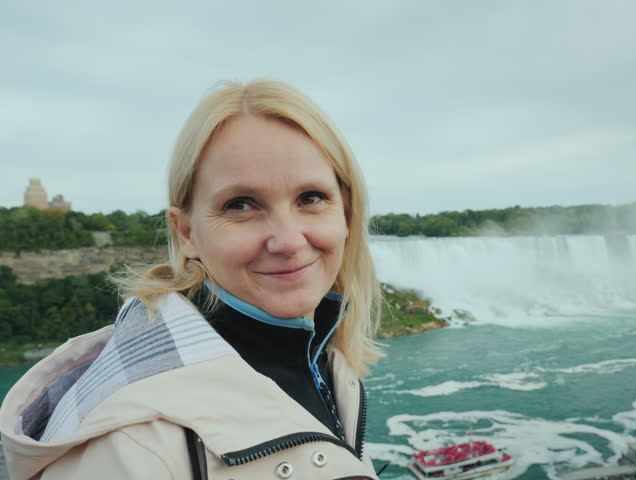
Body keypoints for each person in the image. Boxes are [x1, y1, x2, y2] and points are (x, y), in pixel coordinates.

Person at [0, 79, 383, 479]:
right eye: (240, 205)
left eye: (311, 197)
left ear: (346, 213)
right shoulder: (129, 449)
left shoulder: (323, 360)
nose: (287, 241)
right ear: (186, 233)